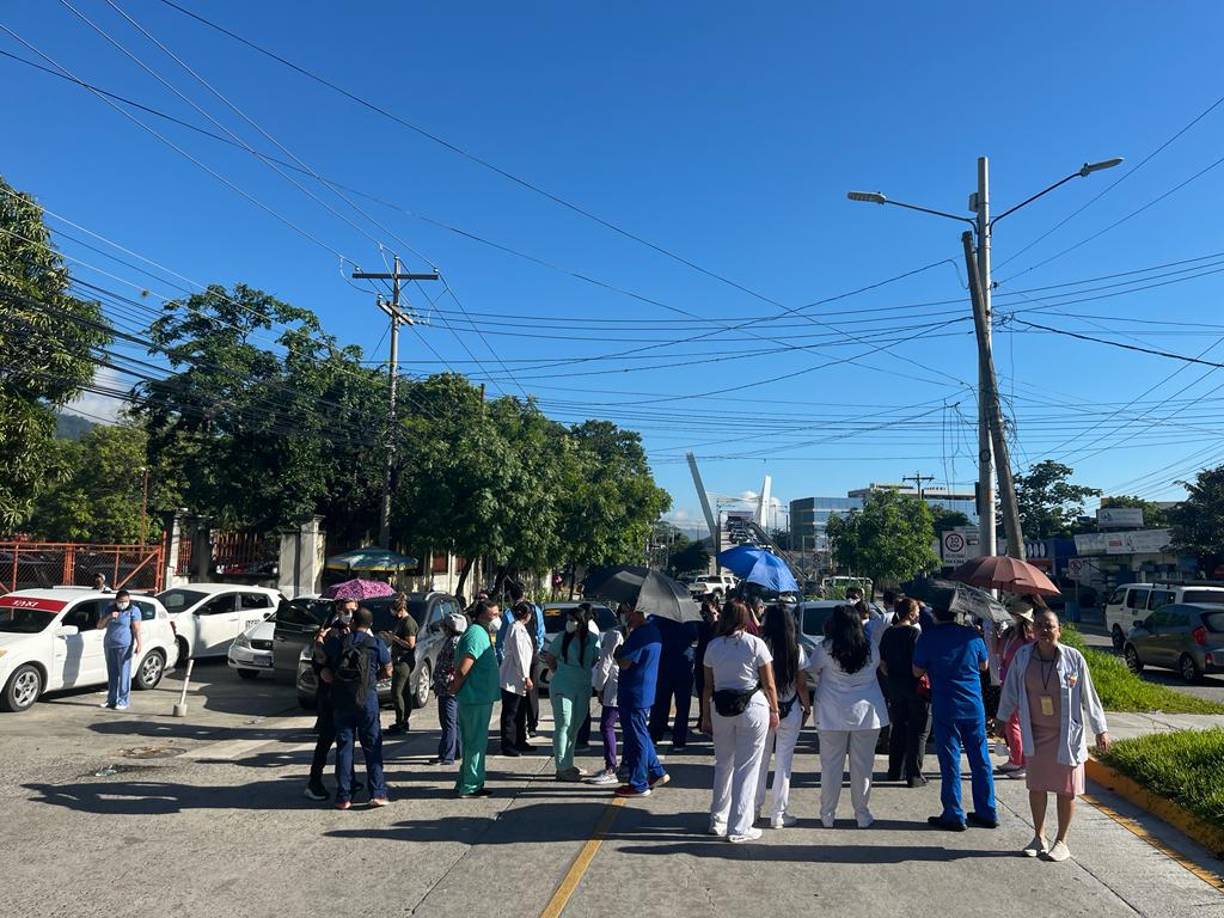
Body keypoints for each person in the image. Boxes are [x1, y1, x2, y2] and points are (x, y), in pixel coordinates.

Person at [997, 609, 1110, 862]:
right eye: (1039, 626)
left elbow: (1088, 696)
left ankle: (1062, 841)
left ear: (1059, 630)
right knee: (1036, 786)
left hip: (1065, 735)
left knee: (1065, 789)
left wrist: (1100, 728)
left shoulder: (1074, 658)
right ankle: (1039, 836)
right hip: (1036, 733)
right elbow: (1011, 690)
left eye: (1049, 626)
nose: (1044, 631)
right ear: (1033, 630)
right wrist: (1002, 719)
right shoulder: (1024, 656)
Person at [913, 601, 999, 831]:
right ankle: (987, 810)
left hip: (946, 705)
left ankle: (954, 813)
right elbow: (984, 665)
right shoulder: (972, 635)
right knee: (980, 758)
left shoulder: (928, 638)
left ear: (936, 615)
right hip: (973, 705)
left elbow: (917, 670)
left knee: (950, 759)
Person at [700, 598, 779, 842]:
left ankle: (718, 819)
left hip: (721, 707)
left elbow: (707, 686)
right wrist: (775, 710)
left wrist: (705, 716)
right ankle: (740, 826)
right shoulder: (756, 644)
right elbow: (769, 684)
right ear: (746, 619)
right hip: (752, 706)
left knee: (724, 764)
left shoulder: (713, 646)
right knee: (747, 768)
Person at [805, 604, 888, 828]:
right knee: (863, 767)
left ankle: (827, 814)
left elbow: (811, 668)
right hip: (867, 713)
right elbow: (876, 668)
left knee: (831, 766)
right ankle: (862, 813)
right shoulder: (870, 647)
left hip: (832, 713)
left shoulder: (826, 647)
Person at [321, 606, 391, 810]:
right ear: (370, 624)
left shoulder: (339, 642)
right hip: (367, 698)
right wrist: (373, 679)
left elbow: (323, 660)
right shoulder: (376, 643)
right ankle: (377, 793)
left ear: (352, 622)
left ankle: (344, 796)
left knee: (344, 747)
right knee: (372, 745)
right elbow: (388, 670)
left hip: (342, 699)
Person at [753, 603, 811, 829]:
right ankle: (779, 813)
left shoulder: (761, 646)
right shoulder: (796, 649)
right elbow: (802, 684)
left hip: (764, 707)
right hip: (791, 707)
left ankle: (753, 809)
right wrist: (807, 708)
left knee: (760, 761)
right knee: (784, 763)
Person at [305, 598, 357, 801]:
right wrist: (322, 668)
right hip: (330, 696)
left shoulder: (357, 631)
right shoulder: (329, 631)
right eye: (345, 610)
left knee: (347, 741)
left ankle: (346, 780)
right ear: (338, 610)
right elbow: (317, 661)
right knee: (325, 740)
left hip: (349, 696)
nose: (349, 614)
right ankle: (314, 781)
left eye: (353, 610)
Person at [614, 605, 668, 797]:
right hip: (642, 691)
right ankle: (656, 771)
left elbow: (625, 662)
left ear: (637, 613)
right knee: (641, 734)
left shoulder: (641, 634)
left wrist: (618, 650)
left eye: (628, 612)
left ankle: (638, 783)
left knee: (636, 739)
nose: (625, 616)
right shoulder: (652, 631)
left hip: (634, 692)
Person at [450, 600, 502, 798]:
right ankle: (471, 785)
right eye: (493, 615)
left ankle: (466, 781)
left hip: (479, 696)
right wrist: (455, 687)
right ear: (481, 616)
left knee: (474, 742)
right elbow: (464, 666)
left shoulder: (481, 632)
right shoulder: (476, 634)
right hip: (474, 697)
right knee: (475, 743)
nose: (497, 619)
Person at [543, 604, 599, 780]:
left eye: (573, 620)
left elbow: (593, 660)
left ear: (582, 622)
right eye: (568, 620)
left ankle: (569, 763)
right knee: (564, 724)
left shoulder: (592, 639)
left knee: (574, 726)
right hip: (562, 687)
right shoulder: (562, 638)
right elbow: (550, 658)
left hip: (582, 687)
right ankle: (561, 767)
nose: (569, 623)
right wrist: (560, 673)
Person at [879, 597, 931, 786]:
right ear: (911, 614)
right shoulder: (915, 635)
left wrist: (893, 678)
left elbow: (882, 664)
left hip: (895, 686)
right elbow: (920, 664)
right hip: (915, 687)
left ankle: (895, 770)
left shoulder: (889, 633)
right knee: (918, 731)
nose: (919, 614)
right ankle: (914, 774)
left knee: (899, 728)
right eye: (917, 611)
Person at [995, 600, 1037, 779]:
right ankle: (1015, 757)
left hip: (1023, 682)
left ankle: (1023, 761)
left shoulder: (1029, 638)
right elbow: (998, 651)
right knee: (1010, 720)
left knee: (1019, 721)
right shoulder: (1009, 634)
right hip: (1007, 679)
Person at [649, 614, 698, 750]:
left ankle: (655, 734)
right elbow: (694, 635)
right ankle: (679, 740)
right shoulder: (688, 620)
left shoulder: (659, 619)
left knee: (660, 702)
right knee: (683, 705)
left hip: (664, 663)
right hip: (683, 664)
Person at [588, 621, 624, 786]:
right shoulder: (642, 633)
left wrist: (599, 687)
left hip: (615, 683)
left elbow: (606, 662)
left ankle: (611, 768)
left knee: (607, 726)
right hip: (633, 685)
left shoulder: (614, 634)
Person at [95, 589, 141, 711]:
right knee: (112, 673)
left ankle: (123, 700)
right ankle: (111, 699)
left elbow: (136, 629)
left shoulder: (133, 610)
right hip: (110, 644)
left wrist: (139, 644)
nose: (123, 604)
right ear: (116, 601)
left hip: (124, 645)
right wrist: (109, 617)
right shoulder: (110, 609)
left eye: (126, 601)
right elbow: (99, 626)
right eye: (121, 601)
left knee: (124, 673)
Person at [498, 601, 534, 757]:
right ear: (527, 614)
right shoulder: (516, 629)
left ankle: (520, 740)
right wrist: (526, 676)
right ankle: (508, 744)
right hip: (513, 676)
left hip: (518, 676)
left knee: (520, 711)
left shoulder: (520, 628)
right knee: (511, 712)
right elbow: (520, 656)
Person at [432, 612, 467, 766]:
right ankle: (456, 751)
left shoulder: (454, 642)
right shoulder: (455, 641)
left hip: (448, 687)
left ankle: (447, 755)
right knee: (455, 722)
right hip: (449, 686)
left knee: (449, 723)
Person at [381, 593, 418, 735]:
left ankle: (401, 721)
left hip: (404, 662)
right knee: (404, 691)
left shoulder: (408, 623)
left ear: (400, 609)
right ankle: (403, 721)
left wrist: (393, 638)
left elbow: (410, 644)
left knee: (396, 692)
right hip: (400, 659)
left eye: (393, 610)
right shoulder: (401, 621)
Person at [692, 597, 719, 734]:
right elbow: (695, 636)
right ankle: (703, 716)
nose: (706, 613)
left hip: (712, 662)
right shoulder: (700, 623)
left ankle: (710, 718)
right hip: (701, 660)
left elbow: (718, 635)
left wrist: (714, 619)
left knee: (711, 691)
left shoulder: (718, 624)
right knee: (702, 690)